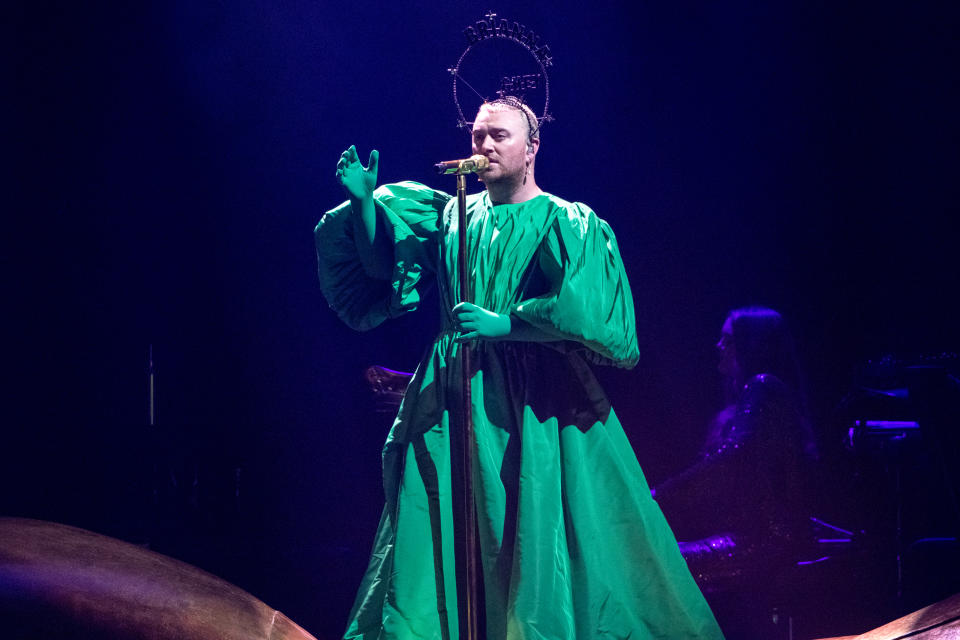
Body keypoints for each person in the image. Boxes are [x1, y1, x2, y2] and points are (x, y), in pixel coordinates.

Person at [315, 97, 723, 639]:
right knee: (440, 525)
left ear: (532, 147)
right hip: (455, 394)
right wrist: (366, 205)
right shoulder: (451, 214)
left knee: (532, 520)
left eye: (498, 136)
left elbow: (582, 310)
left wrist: (507, 323)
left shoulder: (564, 220)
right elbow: (382, 264)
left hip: (533, 400)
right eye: (477, 134)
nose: (483, 145)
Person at [653, 306, 818, 638]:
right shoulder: (754, 397)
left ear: (751, 346)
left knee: (661, 564)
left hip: (762, 542)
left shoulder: (763, 386)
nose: (718, 346)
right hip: (759, 539)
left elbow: (729, 463)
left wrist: (657, 497)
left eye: (727, 340)